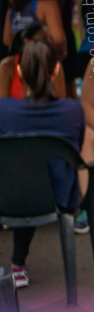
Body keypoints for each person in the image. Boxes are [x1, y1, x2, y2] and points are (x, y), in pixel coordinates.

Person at [0, 35, 84, 289]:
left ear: (19, 71)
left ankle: (17, 264)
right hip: (60, 198)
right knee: (41, 175)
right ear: (56, 69)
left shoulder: (4, 111)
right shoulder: (72, 111)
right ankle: (18, 264)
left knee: (25, 177)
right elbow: (76, 149)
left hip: (9, 198)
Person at [0, 23, 67, 99]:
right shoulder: (7, 66)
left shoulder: (55, 65)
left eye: (50, 39)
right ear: (27, 41)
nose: (48, 43)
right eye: (43, 39)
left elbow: (60, 99)